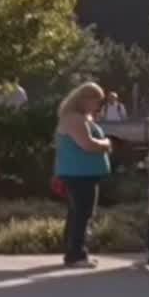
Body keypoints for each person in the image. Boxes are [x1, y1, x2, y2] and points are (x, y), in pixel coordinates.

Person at [55, 81, 112, 268]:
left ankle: (73, 251)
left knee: (77, 213)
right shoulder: (74, 119)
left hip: (82, 173)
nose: (98, 106)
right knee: (82, 214)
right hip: (79, 174)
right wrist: (106, 144)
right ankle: (75, 255)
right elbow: (87, 144)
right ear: (85, 99)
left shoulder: (80, 118)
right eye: (97, 101)